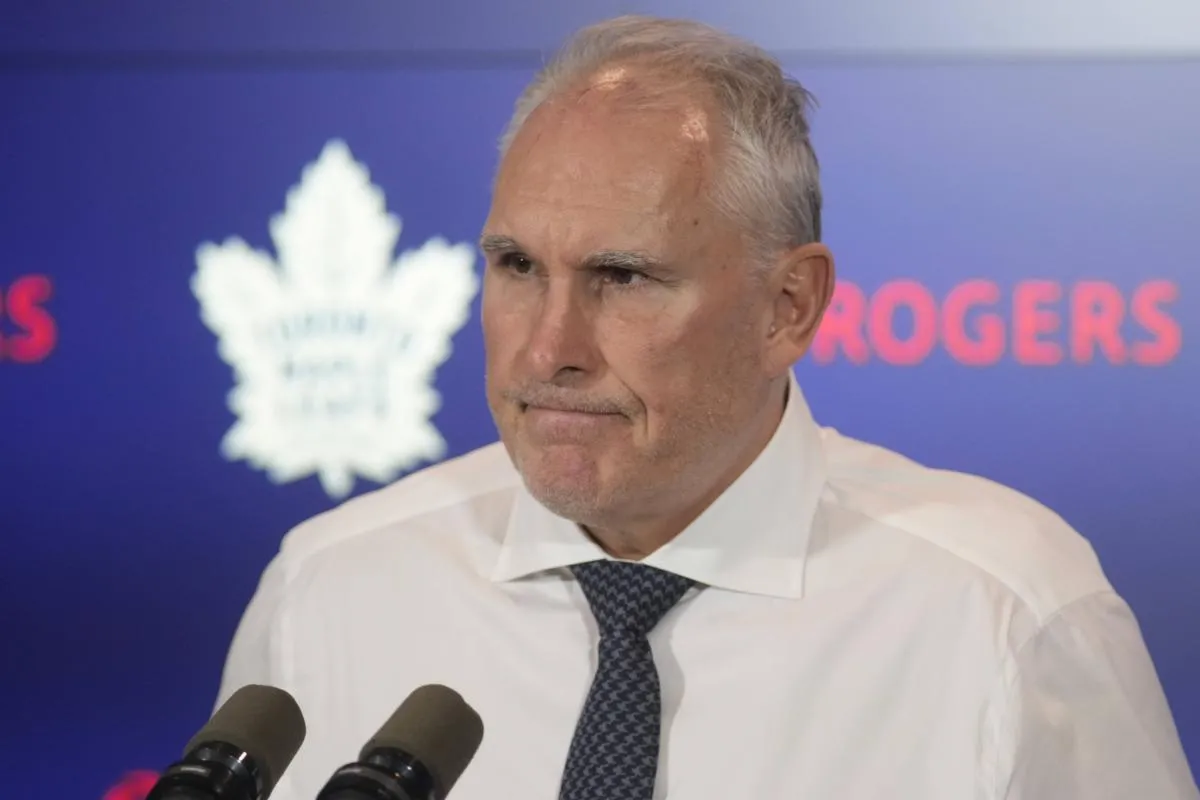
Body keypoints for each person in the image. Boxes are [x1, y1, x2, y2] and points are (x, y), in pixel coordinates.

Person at [214, 15, 1198, 800]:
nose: (548, 348)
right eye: (516, 266)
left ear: (789, 305)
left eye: (623, 275)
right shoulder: (332, 589)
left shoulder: (1002, 612)